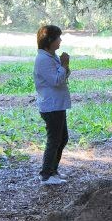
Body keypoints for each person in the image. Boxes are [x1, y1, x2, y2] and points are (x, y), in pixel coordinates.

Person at [34, 24, 71, 186]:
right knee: (54, 140)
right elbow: (56, 81)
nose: (60, 40)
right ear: (49, 40)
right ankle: (46, 175)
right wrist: (63, 65)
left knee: (62, 138)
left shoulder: (51, 56)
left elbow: (62, 77)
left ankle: (52, 171)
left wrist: (65, 66)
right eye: (58, 38)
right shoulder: (42, 59)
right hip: (51, 106)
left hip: (58, 104)